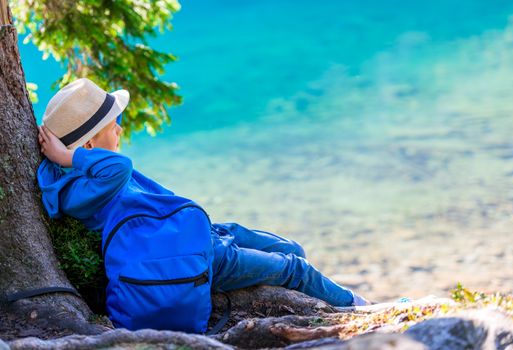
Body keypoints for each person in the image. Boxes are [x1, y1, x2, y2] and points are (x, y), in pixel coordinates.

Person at [36, 78, 371, 311]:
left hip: (194, 233)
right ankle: (360, 309)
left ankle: (320, 298)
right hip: (187, 252)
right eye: (113, 125)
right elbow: (120, 168)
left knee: (290, 248)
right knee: (294, 268)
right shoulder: (81, 187)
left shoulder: (90, 174)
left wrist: (72, 157)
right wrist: (68, 157)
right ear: (90, 145)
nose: (121, 128)